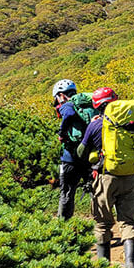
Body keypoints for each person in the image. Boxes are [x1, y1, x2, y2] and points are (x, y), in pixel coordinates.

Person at [78, 87, 134, 268]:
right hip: (130, 176)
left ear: (97, 106)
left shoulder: (96, 124)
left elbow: (81, 151)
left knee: (102, 223)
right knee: (129, 222)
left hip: (105, 177)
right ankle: (130, 265)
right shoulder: (132, 122)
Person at [51, 79, 91, 220]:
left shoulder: (66, 105)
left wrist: (61, 133)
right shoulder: (84, 106)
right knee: (95, 191)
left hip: (70, 158)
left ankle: (63, 226)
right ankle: (102, 228)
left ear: (60, 95)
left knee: (67, 192)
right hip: (88, 156)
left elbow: (68, 115)